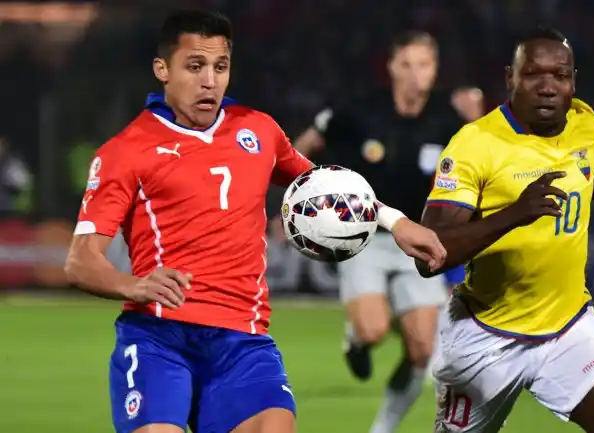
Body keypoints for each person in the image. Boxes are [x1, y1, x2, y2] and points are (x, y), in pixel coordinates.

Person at [63, 10, 446, 433]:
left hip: (242, 340)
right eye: (194, 66)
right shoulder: (125, 151)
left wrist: (398, 222)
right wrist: (132, 284)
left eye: (220, 67)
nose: (209, 80)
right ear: (163, 70)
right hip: (159, 337)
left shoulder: (258, 131)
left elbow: (328, 188)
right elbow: (81, 262)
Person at [418, 27, 594, 433]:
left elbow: (581, 167)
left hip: (568, 328)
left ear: (573, 81)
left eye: (560, 76)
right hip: (485, 336)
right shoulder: (473, 146)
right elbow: (430, 255)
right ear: (510, 78)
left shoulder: (584, 123)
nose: (548, 87)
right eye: (533, 74)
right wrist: (515, 213)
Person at [289, 30, 479, 433]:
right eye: (407, 64)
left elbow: (487, 160)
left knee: (424, 349)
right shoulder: (361, 111)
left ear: (435, 69)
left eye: (424, 65)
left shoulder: (448, 119)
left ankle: (383, 429)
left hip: (416, 240)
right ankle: (358, 337)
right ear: (392, 67)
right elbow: (306, 143)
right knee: (374, 330)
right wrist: (293, 194)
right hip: (363, 236)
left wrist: (476, 120)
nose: (415, 74)